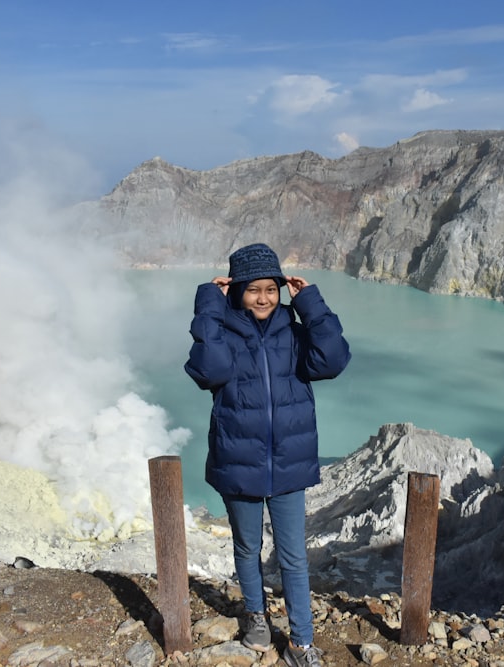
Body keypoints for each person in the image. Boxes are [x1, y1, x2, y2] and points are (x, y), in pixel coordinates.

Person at [184, 242, 351, 666]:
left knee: (294, 556)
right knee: (247, 547)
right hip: (238, 459)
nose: (263, 297)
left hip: (289, 463)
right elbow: (209, 371)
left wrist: (309, 302)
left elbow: (332, 360)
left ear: (282, 290)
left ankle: (301, 642)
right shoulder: (222, 334)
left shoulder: (295, 334)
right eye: (253, 289)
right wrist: (209, 305)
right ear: (237, 291)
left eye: (271, 289)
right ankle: (256, 618)